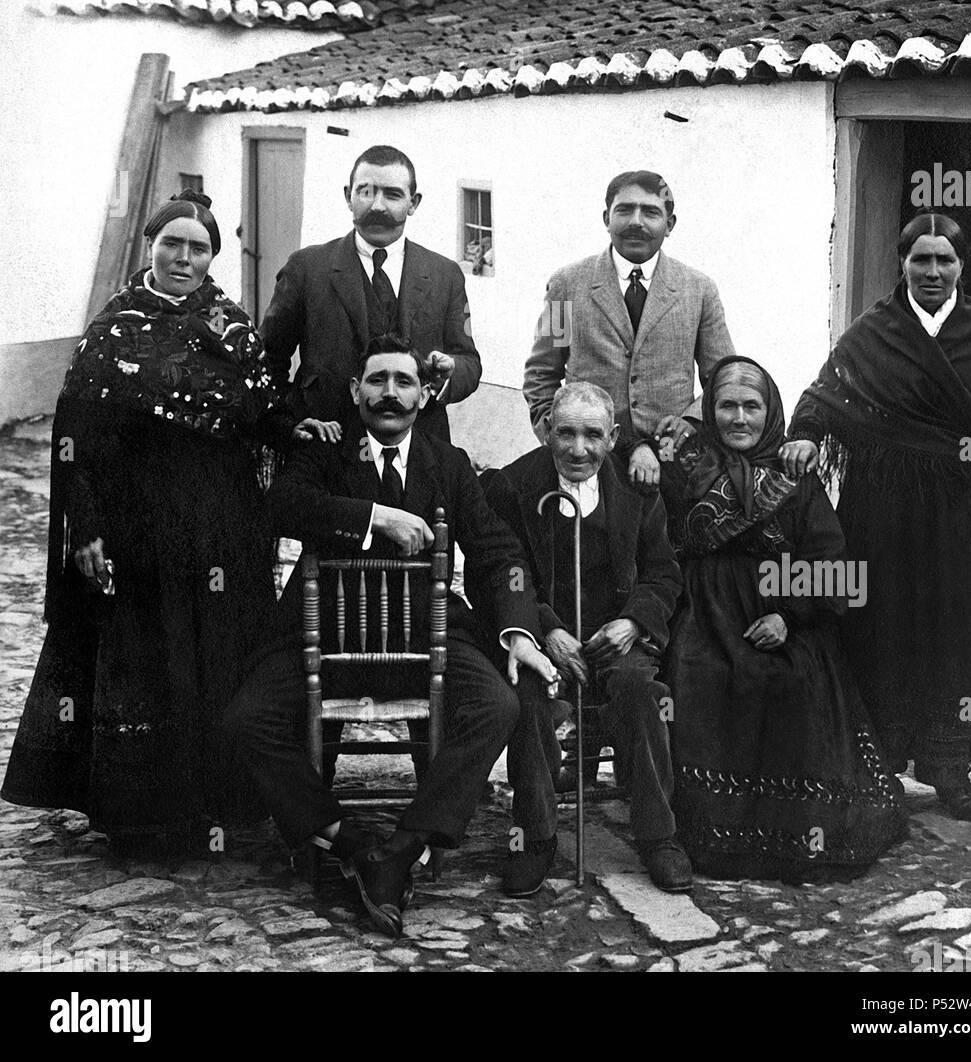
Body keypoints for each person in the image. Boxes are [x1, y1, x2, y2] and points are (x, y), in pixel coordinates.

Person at [1, 191, 311, 855]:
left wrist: (296, 426)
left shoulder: (232, 328)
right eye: (171, 243)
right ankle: (141, 812)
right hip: (137, 522)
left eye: (197, 247)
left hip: (220, 524)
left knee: (214, 654)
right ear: (151, 246)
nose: (183, 257)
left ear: (211, 258)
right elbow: (75, 438)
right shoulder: (114, 327)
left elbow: (262, 410)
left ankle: (216, 801)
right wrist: (84, 530)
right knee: (146, 656)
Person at [223, 333, 558, 938]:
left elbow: (496, 549)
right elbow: (284, 506)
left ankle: (405, 847)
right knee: (247, 718)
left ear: (424, 394)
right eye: (376, 380)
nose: (390, 394)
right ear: (355, 391)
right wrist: (374, 519)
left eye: (404, 382)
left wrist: (517, 631)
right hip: (321, 637)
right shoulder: (324, 452)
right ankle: (345, 839)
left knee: (496, 704)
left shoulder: (449, 465)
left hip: (425, 640)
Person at [782, 213, 971, 822]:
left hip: (960, 522)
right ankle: (881, 768)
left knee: (955, 642)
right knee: (882, 633)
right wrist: (807, 436)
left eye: (943, 260)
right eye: (920, 260)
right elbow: (823, 395)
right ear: (902, 263)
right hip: (882, 514)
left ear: (961, 266)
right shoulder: (874, 332)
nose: (931, 272)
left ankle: (951, 771)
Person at [667, 356, 907, 882]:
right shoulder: (684, 468)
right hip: (704, 610)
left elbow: (835, 564)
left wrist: (788, 617)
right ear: (709, 410)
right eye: (727, 405)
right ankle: (708, 827)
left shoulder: (795, 475)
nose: (739, 418)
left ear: (769, 410)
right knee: (699, 675)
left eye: (752, 406)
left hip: (784, 606)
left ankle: (795, 825)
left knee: (792, 681)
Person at [483, 382, 689, 894]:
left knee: (643, 693)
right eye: (567, 433)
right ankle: (533, 837)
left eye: (593, 435)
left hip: (616, 640)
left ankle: (659, 836)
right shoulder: (512, 487)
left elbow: (663, 573)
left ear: (614, 436)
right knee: (528, 699)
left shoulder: (638, 491)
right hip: (546, 640)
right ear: (547, 431)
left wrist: (634, 623)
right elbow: (504, 575)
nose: (579, 449)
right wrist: (545, 629)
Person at [523, 170, 733, 507]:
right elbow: (542, 373)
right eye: (624, 210)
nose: (636, 222)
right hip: (591, 462)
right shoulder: (567, 286)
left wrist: (691, 422)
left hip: (673, 463)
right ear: (607, 218)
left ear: (670, 223)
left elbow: (723, 379)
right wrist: (558, 438)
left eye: (651, 212)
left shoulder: (699, 290)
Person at [260, 144, 480, 440]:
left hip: (419, 448)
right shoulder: (307, 268)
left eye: (392, 194)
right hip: (329, 444)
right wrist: (290, 420)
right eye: (365, 191)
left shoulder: (445, 275)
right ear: (348, 196)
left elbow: (470, 364)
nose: (377, 206)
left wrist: (448, 372)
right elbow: (266, 359)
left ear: (413, 203)